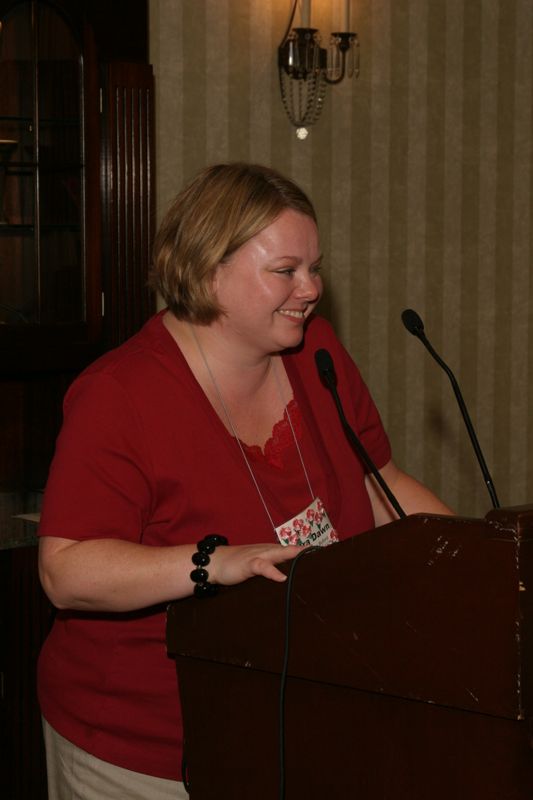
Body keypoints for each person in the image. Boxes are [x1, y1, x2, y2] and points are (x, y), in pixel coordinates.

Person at [37, 162, 452, 799]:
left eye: (315, 267)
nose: (310, 288)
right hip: (142, 742)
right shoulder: (119, 396)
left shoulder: (317, 353)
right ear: (208, 268)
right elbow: (66, 571)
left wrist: (483, 563)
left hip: (294, 712)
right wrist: (214, 563)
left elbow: (381, 483)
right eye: (285, 270)